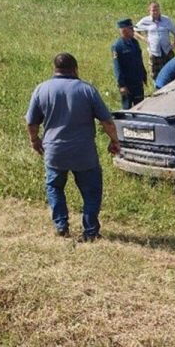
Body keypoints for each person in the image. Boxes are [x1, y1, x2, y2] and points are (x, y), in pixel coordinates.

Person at [25, 53, 120, 241]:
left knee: (55, 187)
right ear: (75, 69)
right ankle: (90, 230)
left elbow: (31, 123)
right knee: (91, 191)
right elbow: (107, 122)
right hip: (83, 152)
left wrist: (35, 141)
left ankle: (61, 226)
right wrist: (115, 141)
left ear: (55, 69)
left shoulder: (41, 89)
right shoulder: (87, 90)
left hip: (54, 151)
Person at [135, 1, 175, 80]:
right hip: (154, 52)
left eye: (157, 10)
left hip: (167, 51)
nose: (155, 12)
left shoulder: (166, 20)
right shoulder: (145, 21)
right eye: (153, 10)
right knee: (155, 75)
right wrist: (143, 39)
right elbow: (134, 30)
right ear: (149, 11)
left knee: (172, 72)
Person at [111, 18, 148, 109]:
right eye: (131, 28)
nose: (133, 31)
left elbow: (139, 60)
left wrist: (144, 75)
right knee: (127, 108)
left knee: (140, 107)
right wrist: (122, 85)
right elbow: (117, 68)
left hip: (137, 82)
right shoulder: (117, 46)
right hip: (127, 84)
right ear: (124, 30)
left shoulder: (134, 42)